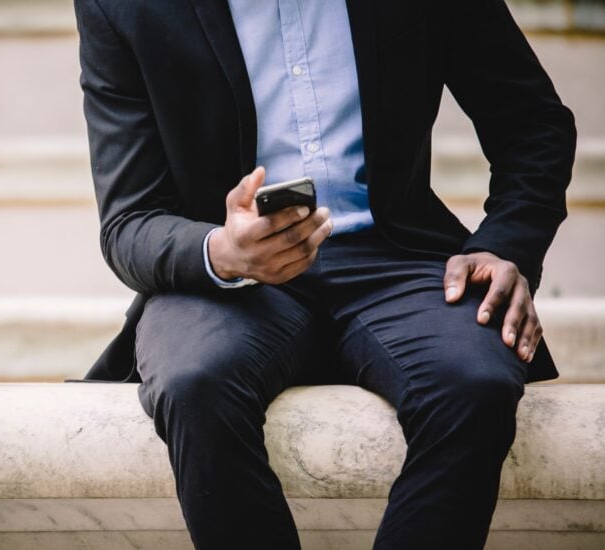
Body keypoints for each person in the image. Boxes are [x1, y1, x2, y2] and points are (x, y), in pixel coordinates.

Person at [72, 0, 576, 548]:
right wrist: (223, 251)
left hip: (396, 259)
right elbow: (128, 220)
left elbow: (534, 125)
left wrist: (506, 246)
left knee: (475, 383)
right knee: (195, 383)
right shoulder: (121, 7)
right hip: (230, 280)